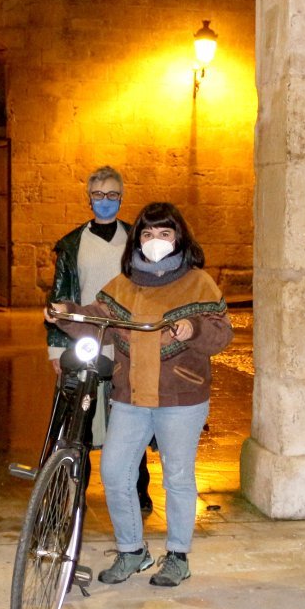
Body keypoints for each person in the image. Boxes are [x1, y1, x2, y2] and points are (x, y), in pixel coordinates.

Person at [47, 202, 233, 588]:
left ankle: (178, 556)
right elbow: (98, 321)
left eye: (164, 233)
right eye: (147, 234)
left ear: (179, 237)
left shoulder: (200, 283)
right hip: (130, 395)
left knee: (178, 477)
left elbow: (221, 336)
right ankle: (132, 550)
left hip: (182, 398)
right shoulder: (123, 285)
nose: (155, 241)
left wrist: (193, 328)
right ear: (137, 241)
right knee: (115, 472)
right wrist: (66, 314)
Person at [46, 166, 153, 513]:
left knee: (130, 414)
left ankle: (139, 487)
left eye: (112, 195)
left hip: (127, 342)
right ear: (88, 198)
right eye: (98, 195)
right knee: (82, 416)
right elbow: (60, 295)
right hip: (86, 338)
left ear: (121, 198)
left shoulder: (138, 241)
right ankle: (76, 489)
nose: (104, 201)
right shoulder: (73, 245)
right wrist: (56, 348)